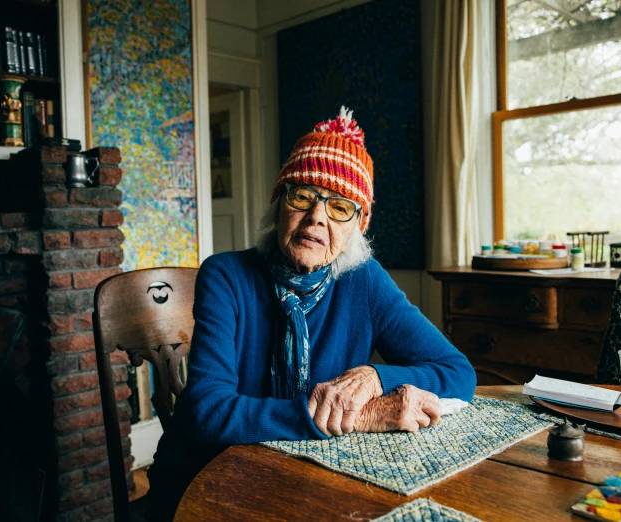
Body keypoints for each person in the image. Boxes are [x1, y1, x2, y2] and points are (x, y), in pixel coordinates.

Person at [147, 107, 476, 520]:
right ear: (279, 202)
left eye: (340, 207)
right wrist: (352, 419)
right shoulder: (226, 274)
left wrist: (377, 377)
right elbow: (208, 413)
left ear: (358, 224)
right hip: (207, 478)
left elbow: (459, 374)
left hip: (308, 474)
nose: (317, 217)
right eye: (303, 195)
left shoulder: (365, 281)